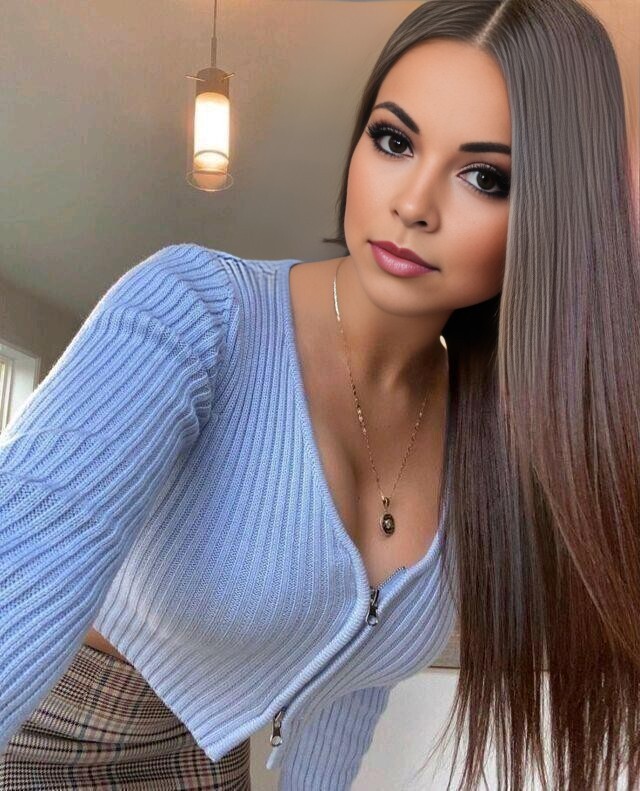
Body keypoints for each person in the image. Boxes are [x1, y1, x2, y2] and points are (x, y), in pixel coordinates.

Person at [1, 0, 638, 789]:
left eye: (485, 177)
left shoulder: (488, 442)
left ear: (558, 217)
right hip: (39, 736)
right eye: (394, 140)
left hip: (206, 762)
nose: (413, 205)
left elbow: (352, 682)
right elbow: (27, 554)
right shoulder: (195, 312)